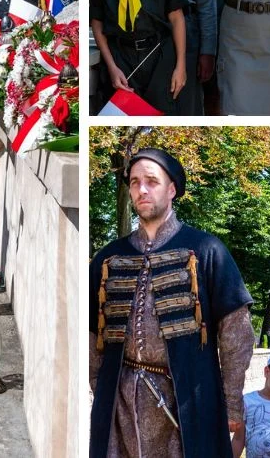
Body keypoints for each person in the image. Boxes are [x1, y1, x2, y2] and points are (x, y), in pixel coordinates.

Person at [90, 148, 254, 457]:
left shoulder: (207, 250)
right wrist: (100, 388)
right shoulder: (108, 258)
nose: (142, 189)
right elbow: (91, 333)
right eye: (135, 182)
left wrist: (231, 401)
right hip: (121, 400)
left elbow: (236, 332)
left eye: (152, 181)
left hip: (188, 397)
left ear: (172, 189)